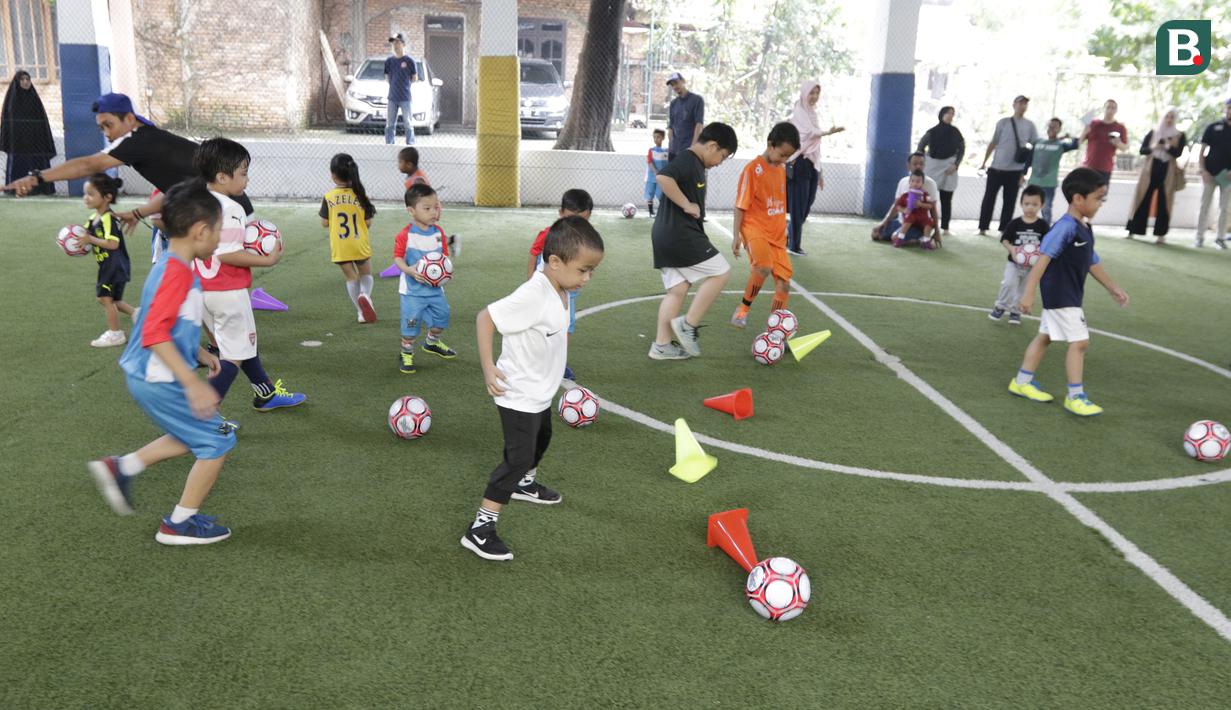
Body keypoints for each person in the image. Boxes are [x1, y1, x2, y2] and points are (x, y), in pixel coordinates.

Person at [86, 179, 237, 544]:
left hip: (150, 375)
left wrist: (199, 353)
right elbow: (154, 333)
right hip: (158, 378)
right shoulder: (175, 273)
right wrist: (192, 383)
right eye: (218, 230)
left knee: (193, 434)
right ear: (201, 231)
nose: (220, 239)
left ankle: (122, 468)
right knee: (218, 441)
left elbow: (162, 321)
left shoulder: (173, 264)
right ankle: (179, 523)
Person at [461, 216, 605, 561]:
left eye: (592, 271)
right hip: (517, 394)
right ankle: (480, 529)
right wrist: (488, 367)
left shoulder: (562, 288)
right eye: (583, 270)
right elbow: (485, 318)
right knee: (518, 458)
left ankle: (524, 485)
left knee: (542, 440)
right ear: (554, 262)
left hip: (540, 392)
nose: (587, 278)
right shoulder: (533, 293)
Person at [1, 93, 255, 263]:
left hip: (226, 211)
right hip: (226, 208)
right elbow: (179, 188)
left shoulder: (137, 141)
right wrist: (137, 213)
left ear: (129, 119)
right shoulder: (146, 139)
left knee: (203, 278)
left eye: (109, 125)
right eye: (101, 127)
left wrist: (37, 177)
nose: (106, 133)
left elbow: (89, 164)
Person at [194, 138, 306, 416]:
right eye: (243, 173)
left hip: (201, 292)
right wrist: (267, 259)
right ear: (222, 177)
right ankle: (203, 418)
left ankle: (265, 393)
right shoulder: (232, 209)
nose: (247, 179)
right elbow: (227, 254)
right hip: (228, 293)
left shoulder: (197, 201)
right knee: (233, 356)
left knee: (241, 343)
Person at [1010, 168, 1129, 417]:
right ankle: (1075, 396)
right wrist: (1028, 293)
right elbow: (1041, 261)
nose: (1100, 204)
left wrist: (1112, 287)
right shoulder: (1064, 228)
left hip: (1069, 293)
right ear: (1078, 198)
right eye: (1098, 198)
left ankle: (1021, 381)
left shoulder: (1083, 228)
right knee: (1080, 342)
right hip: (1061, 294)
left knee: (1045, 336)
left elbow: (1091, 262)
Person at [648, 122, 738, 360]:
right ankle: (688, 325)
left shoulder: (695, 163)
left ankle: (661, 346)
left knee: (677, 291)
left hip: (665, 234)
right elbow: (663, 177)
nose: (720, 162)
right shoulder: (689, 160)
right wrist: (687, 204)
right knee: (722, 272)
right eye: (722, 156)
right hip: (679, 235)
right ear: (712, 146)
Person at [731, 122, 800, 328]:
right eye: (782, 155)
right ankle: (742, 310)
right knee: (763, 266)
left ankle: (774, 330)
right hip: (754, 228)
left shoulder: (780, 169)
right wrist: (736, 236)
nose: (784, 160)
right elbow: (740, 206)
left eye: (788, 157)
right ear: (770, 144)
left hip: (777, 235)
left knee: (784, 284)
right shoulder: (752, 170)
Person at [528, 189, 593, 381]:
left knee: (566, 326)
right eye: (570, 218)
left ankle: (558, 362)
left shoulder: (586, 239)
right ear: (560, 213)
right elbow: (534, 254)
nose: (575, 225)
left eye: (582, 220)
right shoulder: (548, 234)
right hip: (544, 289)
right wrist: (530, 282)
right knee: (541, 325)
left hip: (568, 293)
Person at [393, 183, 457, 374]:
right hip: (412, 292)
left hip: (435, 291)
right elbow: (398, 258)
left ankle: (432, 342)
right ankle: (406, 352)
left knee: (442, 318)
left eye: (436, 207)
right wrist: (409, 270)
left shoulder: (439, 233)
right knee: (411, 325)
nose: (433, 212)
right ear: (411, 211)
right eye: (427, 208)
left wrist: (447, 271)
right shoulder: (406, 235)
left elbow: (444, 258)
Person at [786, 80, 844, 255]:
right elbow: (810, 134)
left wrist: (820, 171)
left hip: (812, 164)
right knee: (798, 206)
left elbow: (815, 145)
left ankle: (788, 235)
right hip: (799, 162)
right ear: (804, 93)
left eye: (817, 93)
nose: (814, 97)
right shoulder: (799, 111)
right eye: (811, 93)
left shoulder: (813, 113)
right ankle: (794, 245)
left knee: (807, 205)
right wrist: (828, 132)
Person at [78, 173, 135, 347]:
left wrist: (90, 240)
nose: (86, 197)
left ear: (107, 197)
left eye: (91, 194)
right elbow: (84, 236)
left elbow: (113, 244)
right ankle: (137, 314)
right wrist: (77, 242)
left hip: (114, 265)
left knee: (105, 298)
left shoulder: (108, 218)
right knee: (112, 299)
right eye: (85, 193)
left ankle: (115, 334)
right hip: (107, 265)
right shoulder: (92, 218)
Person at [320, 153, 378, 322]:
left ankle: (361, 312)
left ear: (333, 175)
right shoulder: (360, 195)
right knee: (366, 275)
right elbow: (368, 223)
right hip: (359, 243)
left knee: (351, 278)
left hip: (340, 246)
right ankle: (364, 295)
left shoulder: (328, 197)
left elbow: (324, 223)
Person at [978, 95, 1038, 235]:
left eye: (1025, 104)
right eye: (1020, 103)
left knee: (1010, 201)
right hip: (996, 168)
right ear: (1014, 105)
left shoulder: (1030, 125)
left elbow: (1035, 145)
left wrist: (1025, 170)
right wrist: (984, 162)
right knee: (988, 198)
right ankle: (982, 227)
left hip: (1016, 170)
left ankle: (1004, 229)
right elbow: (993, 142)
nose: (1022, 106)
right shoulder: (1003, 122)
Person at [988, 186, 1048, 326]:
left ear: (1042, 205)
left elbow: (1047, 243)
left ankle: (1015, 311)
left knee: (1023, 289)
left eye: (1035, 204)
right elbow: (1005, 239)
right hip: (1014, 264)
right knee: (1008, 284)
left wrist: (1039, 254)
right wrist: (1012, 249)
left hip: (1032, 267)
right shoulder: (1015, 223)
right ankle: (1000, 306)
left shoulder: (1043, 225)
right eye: (1027, 204)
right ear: (1021, 204)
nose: (1030, 207)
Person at [1126, 108, 1186, 245]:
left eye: (1172, 117)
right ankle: (1133, 230)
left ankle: (1160, 234)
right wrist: (1154, 147)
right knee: (1142, 197)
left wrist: (1167, 146)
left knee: (1165, 201)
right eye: (1167, 116)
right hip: (1150, 168)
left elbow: (1178, 153)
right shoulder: (1153, 132)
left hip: (1168, 170)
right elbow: (1142, 150)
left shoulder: (1179, 135)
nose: (1169, 119)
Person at [1, 70, 55, 195]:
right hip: (18, 144)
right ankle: (15, 189)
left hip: (36, 142)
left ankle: (41, 189)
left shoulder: (34, 98)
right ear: (17, 82)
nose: (25, 82)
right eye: (22, 79)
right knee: (19, 165)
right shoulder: (12, 100)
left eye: (28, 79)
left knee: (38, 165)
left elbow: (42, 122)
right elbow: (9, 124)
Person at [916, 106, 965, 234]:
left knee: (946, 198)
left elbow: (961, 149)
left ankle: (945, 228)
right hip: (932, 167)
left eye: (952, 114)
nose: (950, 116)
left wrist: (956, 165)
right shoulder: (932, 132)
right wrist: (923, 163)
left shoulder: (956, 132)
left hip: (949, 167)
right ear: (942, 114)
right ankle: (924, 224)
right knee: (927, 197)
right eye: (948, 113)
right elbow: (920, 147)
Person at [870, 152, 939, 243]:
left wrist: (937, 231)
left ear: (924, 166)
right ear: (908, 165)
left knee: (895, 238)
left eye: (921, 164)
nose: (918, 166)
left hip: (918, 225)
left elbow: (933, 209)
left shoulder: (930, 183)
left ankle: (921, 237)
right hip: (902, 222)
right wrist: (884, 221)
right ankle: (909, 237)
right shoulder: (903, 182)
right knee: (875, 234)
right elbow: (896, 205)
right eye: (915, 164)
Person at [1027, 118, 1080, 224]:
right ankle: (1030, 226)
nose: (1051, 128)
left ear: (1059, 129)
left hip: (1049, 184)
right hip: (1033, 182)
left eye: (1055, 127)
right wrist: (1022, 173)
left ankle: (1046, 230)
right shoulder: (1038, 142)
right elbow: (1029, 159)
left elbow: (1075, 145)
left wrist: (1070, 137)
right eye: (1050, 126)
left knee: (1046, 209)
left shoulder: (1061, 145)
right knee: (1029, 206)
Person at [1195, 98, 1231, 249]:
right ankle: (1199, 238)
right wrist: (1203, 171)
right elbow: (1202, 152)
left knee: (1225, 208)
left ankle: (1220, 238)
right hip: (1209, 174)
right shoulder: (1212, 127)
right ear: (1225, 109)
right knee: (1204, 206)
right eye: (1229, 108)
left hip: (1228, 177)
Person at [1078, 99, 1129, 184]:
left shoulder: (1120, 127)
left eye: (1113, 108)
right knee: (1086, 191)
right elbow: (1080, 141)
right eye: (1108, 107)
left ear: (1116, 110)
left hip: (1105, 168)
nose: (1110, 110)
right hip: (1088, 166)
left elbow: (1125, 147)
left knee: (1101, 192)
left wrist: (1118, 143)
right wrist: (1085, 131)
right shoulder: (1093, 124)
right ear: (1103, 108)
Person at [890, 171, 940, 249]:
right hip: (911, 215)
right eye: (912, 181)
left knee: (929, 222)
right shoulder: (905, 195)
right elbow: (898, 206)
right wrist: (904, 210)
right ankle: (900, 239)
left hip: (922, 217)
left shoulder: (925, 195)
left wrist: (921, 204)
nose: (915, 183)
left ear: (922, 183)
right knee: (907, 219)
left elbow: (930, 206)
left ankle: (926, 241)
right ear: (909, 183)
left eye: (918, 181)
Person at [384, 33, 418, 146]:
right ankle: (389, 144)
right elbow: (386, 76)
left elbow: (414, 78)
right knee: (390, 124)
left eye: (398, 42)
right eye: (394, 43)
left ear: (403, 44)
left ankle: (410, 144)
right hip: (392, 98)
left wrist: (404, 85)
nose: (395, 45)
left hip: (405, 98)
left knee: (408, 123)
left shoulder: (409, 61)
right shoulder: (389, 61)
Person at [665, 72, 704, 161]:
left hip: (689, 150)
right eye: (672, 85)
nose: (675, 86)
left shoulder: (697, 100)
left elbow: (699, 125)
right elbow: (671, 126)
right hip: (674, 151)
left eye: (676, 82)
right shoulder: (673, 103)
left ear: (683, 81)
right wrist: (671, 146)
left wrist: (693, 148)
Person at [644, 129, 668, 215]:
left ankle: (662, 212)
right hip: (651, 177)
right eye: (654, 137)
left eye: (658, 137)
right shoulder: (651, 150)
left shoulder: (667, 151)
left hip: (661, 177)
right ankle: (651, 212)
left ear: (663, 138)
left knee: (660, 193)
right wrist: (655, 171)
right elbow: (650, 162)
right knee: (650, 193)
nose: (656, 139)